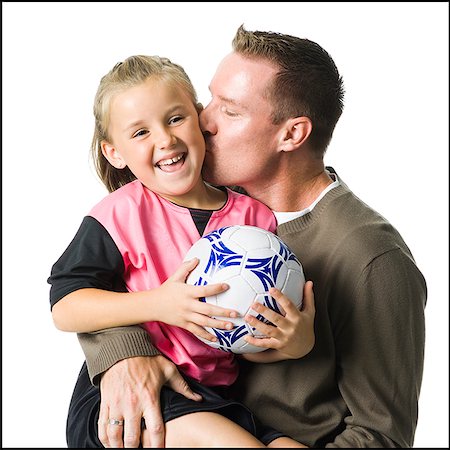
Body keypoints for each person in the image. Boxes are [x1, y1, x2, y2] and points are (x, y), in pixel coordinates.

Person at [68, 25, 427, 448]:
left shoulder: (370, 256)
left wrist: (298, 343)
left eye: (230, 110)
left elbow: (380, 436)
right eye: (210, 100)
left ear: (291, 134)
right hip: (181, 417)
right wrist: (125, 354)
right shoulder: (190, 198)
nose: (204, 121)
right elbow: (95, 288)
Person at [48, 54, 315, 448]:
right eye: (140, 133)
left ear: (200, 118)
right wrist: (158, 304)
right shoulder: (120, 214)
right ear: (114, 153)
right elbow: (66, 307)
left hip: (212, 398)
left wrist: (294, 343)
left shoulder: (254, 221)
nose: (165, 139)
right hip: (130, 397)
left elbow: (242, 340)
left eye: (175, 119)